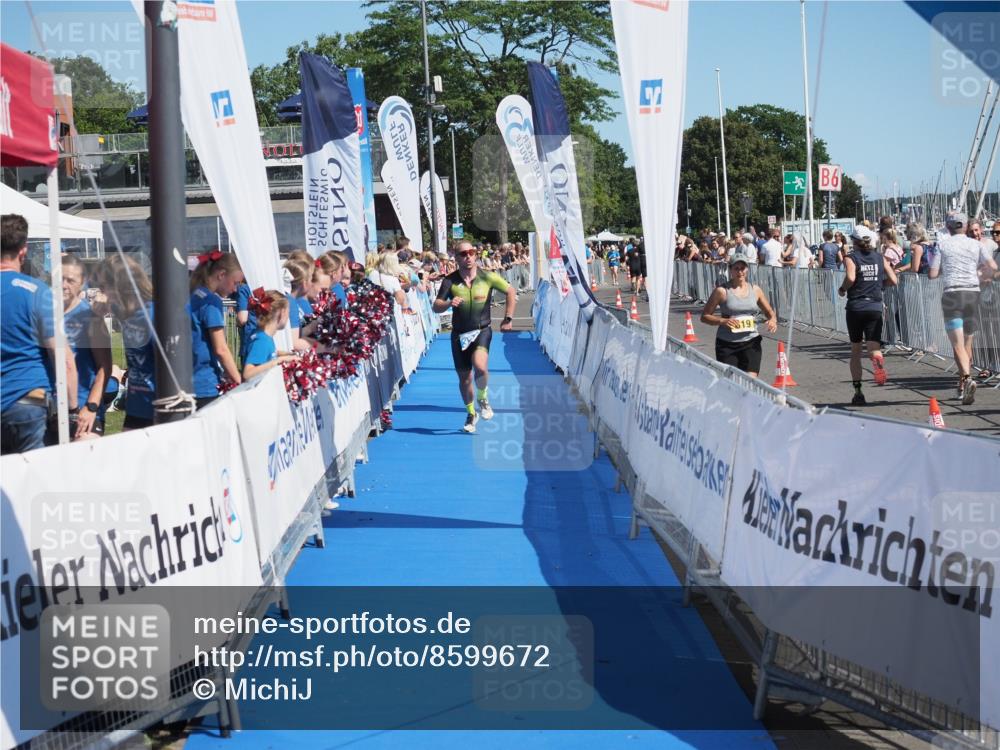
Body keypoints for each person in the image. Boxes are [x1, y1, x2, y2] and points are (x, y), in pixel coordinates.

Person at [1, 214, 78, 453]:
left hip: (18, 400)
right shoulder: (37, 292)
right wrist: (73, 409)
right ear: (23, 251)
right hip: (28, 400)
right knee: (36, 482)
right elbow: (63, 359)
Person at [431, 241, 516, 433]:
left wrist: (507, 318)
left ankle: (483, 398)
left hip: (482, 330)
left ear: (476, 255)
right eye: (463, 254)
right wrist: (449, 303)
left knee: (480, 367)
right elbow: (436, 306)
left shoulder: (487, 277)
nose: (468, 257)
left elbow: (511, 291)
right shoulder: (449, 281)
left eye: (471, 252)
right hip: (459, 334)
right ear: (456, 257)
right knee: (464, 379)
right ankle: (471, 413)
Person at [929, 212, 997, 404]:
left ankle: (967, 379)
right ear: (966, 227)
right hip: (972, 294)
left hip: (952, 295)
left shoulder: (942, 245)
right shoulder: (977, 244)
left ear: (948, 228)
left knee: (957, 344)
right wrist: (981, 276)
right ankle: (962, 384)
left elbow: (933, 274)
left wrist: (947, 268)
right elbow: (992, 266)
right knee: (967, 342)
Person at [91, 254, 156, 429]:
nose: (101, 293)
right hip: (136, 406)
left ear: (121, 284)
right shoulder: (125, 311)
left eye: (104, 287)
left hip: (158, 406)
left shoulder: (153, 314)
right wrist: (99, 314)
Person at [838, 225, 898, 406]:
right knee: (873, 347)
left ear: (854, 241)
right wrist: (880, 284)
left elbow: (850, 278)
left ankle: (858, 392)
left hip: (856, 306)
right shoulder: (880, 258)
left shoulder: (851, 258)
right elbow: (894, 280)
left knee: (855, 351)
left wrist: (842, 289)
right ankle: (878, 359)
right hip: (874, 305)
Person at [700, 248, 778, 377]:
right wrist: (723, 321)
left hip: (751, 341)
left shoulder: (755, 289)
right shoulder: (722, 291)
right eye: (736, 268)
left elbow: (769, 311)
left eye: (743, 268)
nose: (740, 272)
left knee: (751, 381)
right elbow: (705, 317)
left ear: (747, 269)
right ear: (730, 270)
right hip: (727, 343)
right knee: (733, 383)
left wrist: (772, 320)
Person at [61, 255, 112, 439]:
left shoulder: (91, 319)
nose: (64, 285)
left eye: (71, 280)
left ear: (82, 283)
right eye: (60, 279)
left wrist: (90, 407)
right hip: (49, 410)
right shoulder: (44, 316)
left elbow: (105, 368)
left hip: (83, 411)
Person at [189, 250, 244, 409]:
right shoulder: (211, 302)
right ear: (221, 275)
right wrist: (238, 381)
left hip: (188, 380)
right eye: (235, 283)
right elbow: (221, 349)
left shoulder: (194, 295)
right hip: (205, 384)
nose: (235, 290)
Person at [242, 289, 300, 379]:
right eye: (288, 313)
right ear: (282, 313)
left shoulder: (263, 335)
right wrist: (280, 360)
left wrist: (285, 354)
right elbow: (247, 374)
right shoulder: (262, 341)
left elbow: (269, 353)